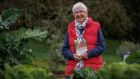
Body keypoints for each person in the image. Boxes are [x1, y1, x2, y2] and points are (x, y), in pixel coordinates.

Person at [62, 2, 105, 78]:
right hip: (73, 71)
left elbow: (101, 46)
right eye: (76, 12)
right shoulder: (70, 27)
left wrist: (88, 54)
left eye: (81, 11)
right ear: (73, 15)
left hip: (92, 71)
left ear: (86, 13)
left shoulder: (96, 26)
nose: (79, 14)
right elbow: (64, 50)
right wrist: (72, 56)